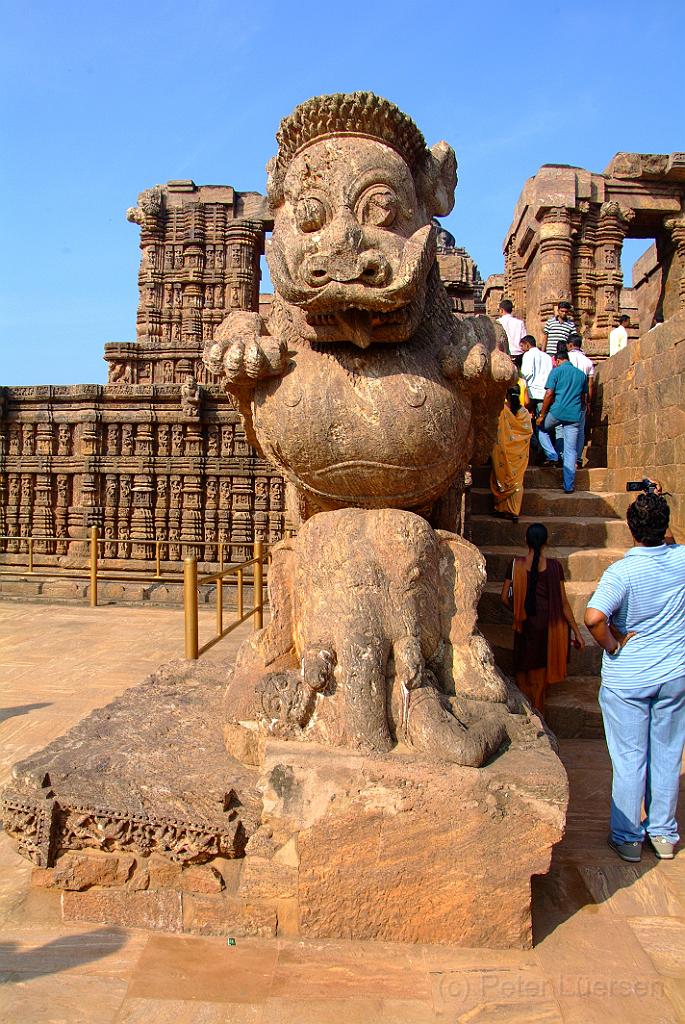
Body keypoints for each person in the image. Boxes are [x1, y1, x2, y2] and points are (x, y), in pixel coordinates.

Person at [585, 489, 685, 862]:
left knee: (630, 759)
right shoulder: (680, 560)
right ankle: (663, 834)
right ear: (666, 526)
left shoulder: (623, 573)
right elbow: (670, 543)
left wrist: (612, 644)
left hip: (629, 676)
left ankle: (628, 838)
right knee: (667, 754)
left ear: (630, 529)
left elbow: (593, 617)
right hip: (674, 672)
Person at [501, 522, 584, 714]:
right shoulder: (555, 567)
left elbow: (505, 597)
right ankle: (541, 719)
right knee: (540, 683)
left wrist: (518, 611)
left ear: (525, 541)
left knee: (523, 675)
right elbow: (563, 604)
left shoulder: (515, 565)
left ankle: (526, 719)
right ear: (547, 541)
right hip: (548, 628)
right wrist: (578, 633)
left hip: (525, 627)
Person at [535, 341, 587, 494]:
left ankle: (552, 454)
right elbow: (584, 397)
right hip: (574, 414)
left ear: (557, 360)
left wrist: (542, 414)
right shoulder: (581, 375)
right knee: (571, 451)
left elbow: (549, 394)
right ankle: (568, 486)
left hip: (557, 412)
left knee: (541, 428)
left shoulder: (556, 371)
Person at [489, 387, 532, 522]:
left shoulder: (502, 410)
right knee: (517, 481)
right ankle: (514, 511)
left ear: (506, 394)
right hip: (519, 452)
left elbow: (496, 428)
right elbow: (528, 431)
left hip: (503, 451)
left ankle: (501, 509)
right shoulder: (524, 412)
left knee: (501, 477)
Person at [566, 333, 594, 466]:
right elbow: (590, 384)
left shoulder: (566, 359)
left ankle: (566, 458)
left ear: (570, 345)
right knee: (580, 430)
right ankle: (577, 458)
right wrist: (589, 402)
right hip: (581, 399)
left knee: (564, 428)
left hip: (566, 397)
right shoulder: (588, 362)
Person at [497, 299, 527, 366]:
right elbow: (524, 339)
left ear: (501, 310)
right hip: (518, 354)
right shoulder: (520, 323)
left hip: (503, 355)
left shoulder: (497, 323)